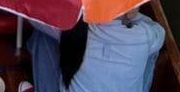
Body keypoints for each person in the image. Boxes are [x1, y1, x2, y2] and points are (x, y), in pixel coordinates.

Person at [25, 9, 164, 92]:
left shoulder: (74, 28)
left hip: (81, 22)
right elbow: (159, 31)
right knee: (150, 52)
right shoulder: (143, 36)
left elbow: (34, 17)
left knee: (43, 36)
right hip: (131, 23)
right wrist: (132, 16)